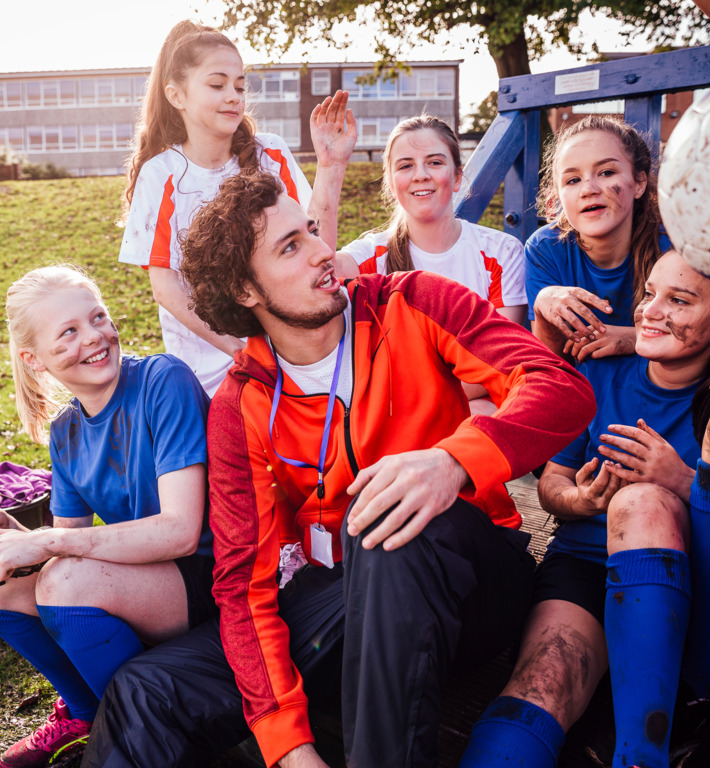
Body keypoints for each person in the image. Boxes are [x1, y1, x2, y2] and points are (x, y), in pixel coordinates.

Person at [80, 170, 596, 768]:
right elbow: (243, 583)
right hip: (348, 597)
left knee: (386, 521)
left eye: (313, 231)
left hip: (474, 578)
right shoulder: (240, 402)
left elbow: (559, 388)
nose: (325, 252)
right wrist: (291, 747)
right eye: (290, 247)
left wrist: (453, 461)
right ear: (246, 291)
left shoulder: (415, 300)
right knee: (146, 689)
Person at [459, 249, 710, 768]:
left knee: (644, 502)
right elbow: (552, 484)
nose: (650, 311)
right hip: (586, 563)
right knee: (542, 679)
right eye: (649, 294)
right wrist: (581, 499)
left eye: (679, 300)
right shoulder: (600, 372)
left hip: (696, 583)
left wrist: (680, 481)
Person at [0, 265, 214, 768]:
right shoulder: (66, 431)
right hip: (147, 579)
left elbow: (182, 532)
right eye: (69, 332)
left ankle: (145, 733)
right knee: (10, 588)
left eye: (97, 318)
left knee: (65, 580)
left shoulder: (164, 380)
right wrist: (14, 540)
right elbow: (65, 544)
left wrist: (48, 545)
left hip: (211, 574)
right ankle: (86, 712)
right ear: (34, 361)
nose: (95, 337)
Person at [118, 19, 356, 397]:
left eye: (240, 86)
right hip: (207, 371)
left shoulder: (270, 152)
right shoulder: (160, 174)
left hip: (289, 353)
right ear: (176, 96)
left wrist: (331, 166)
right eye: (217, 85)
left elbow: (317, 247)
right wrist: (238, 349)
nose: (233, 96)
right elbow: (166, 289)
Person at [339, 114, 526, 413]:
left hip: (458, 413)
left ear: (456, 178)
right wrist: (331, 166)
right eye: (405, 166)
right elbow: (312, 270)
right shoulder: (370, 255)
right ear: (392, 183)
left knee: (486, 412)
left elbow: (499, 361)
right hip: (394, 415)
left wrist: (416, 400)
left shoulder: (501, 252)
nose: (421, 174)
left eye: (435, 162)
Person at [525, 115, 671, 364]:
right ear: (558, 196)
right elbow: (548, 362)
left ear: (639, 183)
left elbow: (706, 336)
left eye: (606, 172)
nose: (588, 189)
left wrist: (632, 338)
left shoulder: (672, 247)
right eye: (573, 180)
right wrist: (542, 305)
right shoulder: (546, 248)